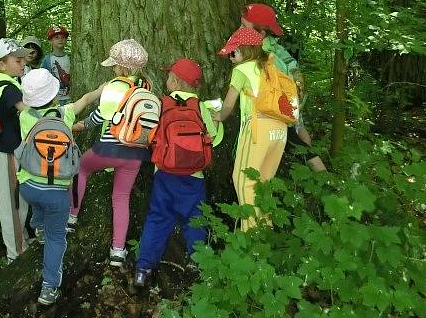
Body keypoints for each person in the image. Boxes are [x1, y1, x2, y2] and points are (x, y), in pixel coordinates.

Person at [134, 58, 223, 287]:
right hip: (194, 176)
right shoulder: (200, 107)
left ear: (174, 81)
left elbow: (149, 136)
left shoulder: (161, 104)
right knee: (195, 217)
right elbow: (214, 139)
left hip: (164, 173)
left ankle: (143, 269)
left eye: (168, 77)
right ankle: (195, 261)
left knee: (157, 218)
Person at [18, 68, 102, 305]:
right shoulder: (64, 114)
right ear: (54, 95)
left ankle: (37, 226)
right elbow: (84, 100)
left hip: (29, 187)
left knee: (38, 203)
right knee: (57, 239)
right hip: (58, 192)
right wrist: (100, 91)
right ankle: (49, 287)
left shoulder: (25, 117)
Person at [70, 39, 151, 267]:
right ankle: (118, 250)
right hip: (135, 153)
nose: (113, 69)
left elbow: (98, 117)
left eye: (115, 65)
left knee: (81, 168)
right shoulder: (145, 87)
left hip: (109, 147)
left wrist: (78, 125)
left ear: (122, 68)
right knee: (121, 198)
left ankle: (72, 215)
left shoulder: (116, 86)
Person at [213, 28, 288, 231]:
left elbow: (229, 105)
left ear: (245, 50)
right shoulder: (271, 68)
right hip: (280, 129)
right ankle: (265, 231)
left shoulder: (242, 70)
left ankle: (251, 237)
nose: (230, 57)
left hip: (258, 127)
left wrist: (218, 117)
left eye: (233, 52)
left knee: (244, 180)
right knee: (264, 184)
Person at [241, 3, 326, 173]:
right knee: (300, 128)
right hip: (294, 98)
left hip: (281, 106)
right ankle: (312, 172)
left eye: (244, 26)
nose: (240, 29)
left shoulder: (261, 53)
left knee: (293, 141)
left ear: (261, 33)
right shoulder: (274, 45)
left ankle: (325, 178)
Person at [0, 38, 32, 262]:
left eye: (23, 58)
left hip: (6, 150)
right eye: (18, 59)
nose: (23, 62)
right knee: (13, 203)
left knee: (17, 200)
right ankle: (15, 253)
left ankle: (21, 240)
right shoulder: (8, 89)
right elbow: (29, 113)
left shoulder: (1, 83)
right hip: (7, 152)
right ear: (1, 64)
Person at [41, 26, 71, 105]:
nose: (60, 40)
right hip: (54, 99)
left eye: (63, 37)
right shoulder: (47, 59)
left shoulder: (70, 57)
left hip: (69, 97)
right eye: (57, 37)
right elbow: (42, 78)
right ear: (51, 40)